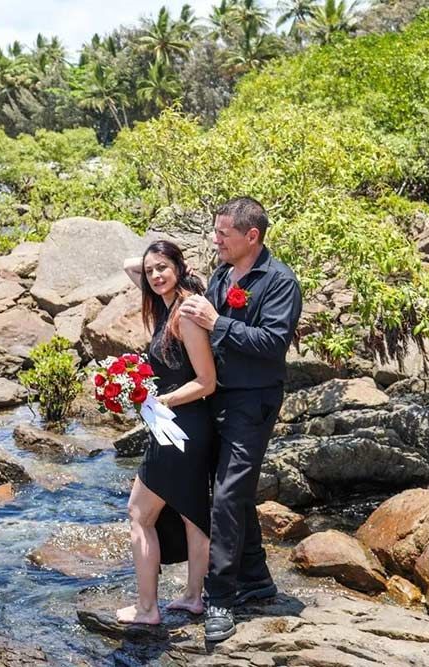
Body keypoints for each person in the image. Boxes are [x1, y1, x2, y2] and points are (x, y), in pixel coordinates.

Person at [180, 197, 302, 642]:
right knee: (235, 493)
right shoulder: (219, 274)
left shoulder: (280, 282)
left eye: (223, 234)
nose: (215, 239)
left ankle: (220, 599)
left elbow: (271, 342)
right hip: (216, 398)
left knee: (227, 497)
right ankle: (256, 579)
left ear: (252, 236)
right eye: (215, 232)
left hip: (254, 402)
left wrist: (217, 323)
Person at [117, 240, 217, 625]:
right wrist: (166, 268)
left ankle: (147, 609)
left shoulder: (187, 314)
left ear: (180, 266)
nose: (154, 275)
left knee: (139, 514)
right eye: (152, 270)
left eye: (163, 267)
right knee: (193, 515)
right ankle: (194, 596)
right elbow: (131, 265)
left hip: (180, 428)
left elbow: (207, 381)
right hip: (182, 425)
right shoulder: (167, 304)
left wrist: (163, 401)